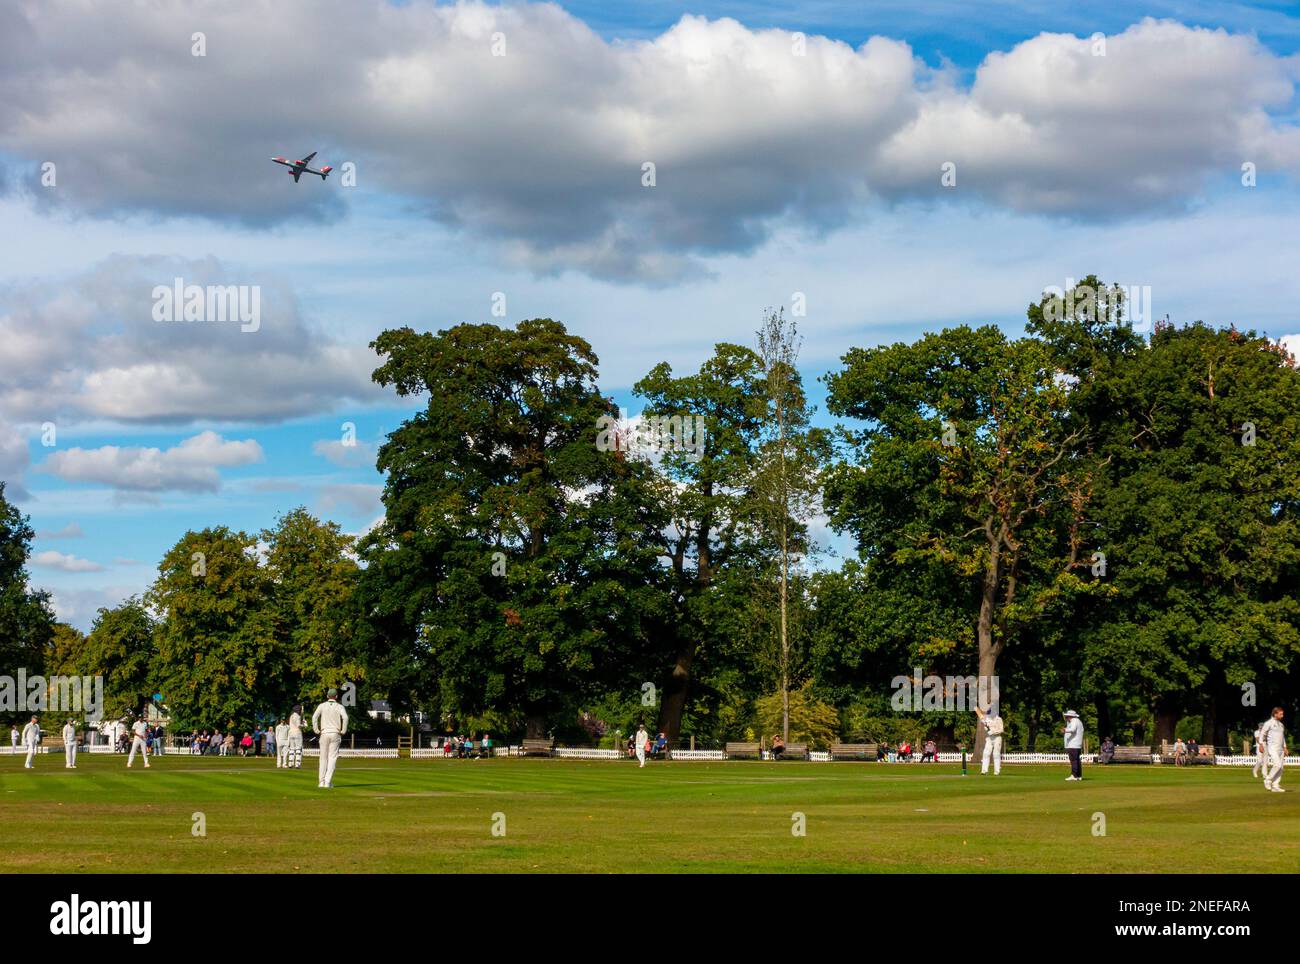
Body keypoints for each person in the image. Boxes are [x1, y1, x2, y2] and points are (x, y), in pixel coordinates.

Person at [312, 688, 349, 788]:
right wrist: (343, 731)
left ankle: (321, 782)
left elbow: (314, 717)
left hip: (324, 733)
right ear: (336, 696)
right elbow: (345, 717)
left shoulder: (322, 706)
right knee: (332, 758)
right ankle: (327, 782)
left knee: (323, 758)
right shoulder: (339, 706)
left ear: (327, 696)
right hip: (335, 733)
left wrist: (317, 730)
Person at [1261, 706, 1287, 793]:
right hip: (1272, 747)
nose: (1282, 716)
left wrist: (1285, 747)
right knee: (1277, 765)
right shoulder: (1268, 723)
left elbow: (1282, 737)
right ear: (1275, 714)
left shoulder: (1281, 724)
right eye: (1281, 714)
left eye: (1282, 714)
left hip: (1280, 749)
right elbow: (1262, 734)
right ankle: (1268, 780)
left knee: (1281, 768)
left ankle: (1275, 785)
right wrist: (1261, 744)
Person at [975, 706, 1003, 775]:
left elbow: (1001, 730)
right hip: (989, 738)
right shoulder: (987, 719)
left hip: (997, 738)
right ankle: (984, 771)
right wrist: (975, 707)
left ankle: (997, 771)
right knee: (986, 753)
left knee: (996, 754)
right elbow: (980, 715)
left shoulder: (999, 719)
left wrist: (993, 732)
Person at [1062, 709, 1084, 781]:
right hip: (1076, 744)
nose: (1066, 718)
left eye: (1067, 716)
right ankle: (1078, 776)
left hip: (1073, 744)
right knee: (1077, 760)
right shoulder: (1078, 721)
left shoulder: (1074, 721)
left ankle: (1074, 775)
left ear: (1070, 716)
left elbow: (1073, 729)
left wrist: (1065, 730)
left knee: (1074, 760)